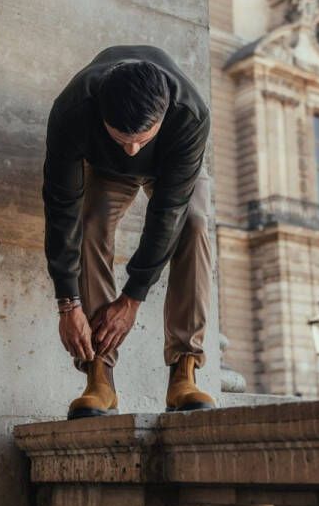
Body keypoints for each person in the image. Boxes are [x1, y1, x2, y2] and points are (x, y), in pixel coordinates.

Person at [43, 45, 215, 419]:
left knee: (195, 223)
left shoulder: (190, 114)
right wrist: (67, 303)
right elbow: (61, 208)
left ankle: (184, 369)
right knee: (90, 222)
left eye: (142, 137)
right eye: (123, 138)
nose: (134, 150)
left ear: (164, 113)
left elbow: (168, 212)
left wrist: (132, 298)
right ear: (101, 114)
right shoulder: (72, 111)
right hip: (105, 168)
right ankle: (99, 376)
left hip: (173, 169)